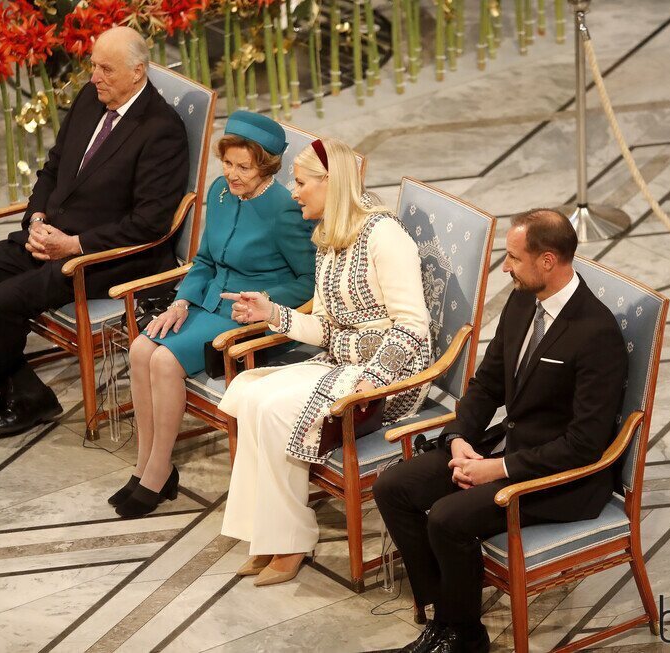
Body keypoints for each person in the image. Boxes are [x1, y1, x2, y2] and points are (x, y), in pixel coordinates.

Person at [374, 209, 628, 653]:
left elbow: (584, 445)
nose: (505, 267)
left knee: (449, 519)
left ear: (548, 261)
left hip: (560, 479)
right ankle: (445, 617)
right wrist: (459, 439)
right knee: (394, 486)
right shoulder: (522, 299)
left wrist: (499, 469)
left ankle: (464, 637)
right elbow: (488, 383)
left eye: (513, 257)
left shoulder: (596, 333)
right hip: (503, 450)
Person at [0, 26, 188, 437]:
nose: (94, 78)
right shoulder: (92, 98)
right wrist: (36, 221)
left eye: (105, 69)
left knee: (3, 300)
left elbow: (149, 223)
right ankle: (20, 389)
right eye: (93, 66)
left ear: (138, 72)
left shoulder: (161, 130)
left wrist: (73, 244)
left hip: (110, 256)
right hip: (52, 236)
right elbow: (52, 169)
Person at [216, 138, 432, 587]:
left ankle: (292, 540)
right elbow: (329, 329)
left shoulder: (385, 236)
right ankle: (268, 536)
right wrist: (273, 314)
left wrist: (369, 382)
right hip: (343, 364)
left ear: (330, 184)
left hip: (389, 380)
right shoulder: (330, 238)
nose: (293, 192)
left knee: (274, 408)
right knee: (250, 395)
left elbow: (413, 328)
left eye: (300, 183)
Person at [110, 112, 317, 519]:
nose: (233, 174)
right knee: (139, 349)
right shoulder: (220, 192)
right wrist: (181, 301)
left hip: (248, 317)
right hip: (204, 302)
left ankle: (156, 473)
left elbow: (308, 282)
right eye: (228, 164)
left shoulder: (285, 209)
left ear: (267, 166)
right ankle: (146, 465)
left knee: (165, 360)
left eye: (244, 167)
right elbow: (203, 259)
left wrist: (260, 299)